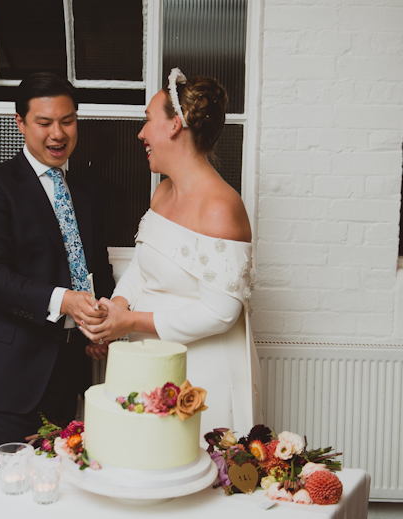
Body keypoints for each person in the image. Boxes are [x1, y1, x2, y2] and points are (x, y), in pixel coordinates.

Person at [80, 69, 263, 436]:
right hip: (152, 363)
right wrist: (116, 308)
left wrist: (131, 323)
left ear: (175, 125)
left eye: (149, 121)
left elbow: (221, 312)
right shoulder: (162, 193)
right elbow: (142, 267)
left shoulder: (221, 207)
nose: (141, 133)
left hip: (203, 371)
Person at [0, 72, 115, 472]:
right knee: (9, 497)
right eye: (44, 123)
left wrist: (101, 322)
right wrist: (65, 301)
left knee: (58, 493)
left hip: (67, 375)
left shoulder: (88, 192)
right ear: (20, 123)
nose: (57, 133)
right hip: (7, 380)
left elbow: (95, 269)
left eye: (68, 120)